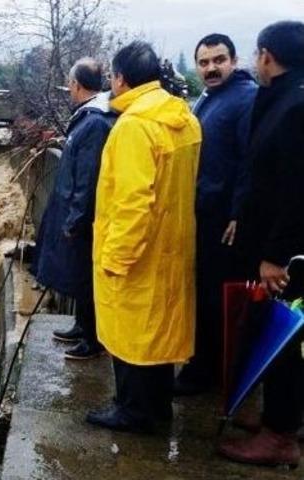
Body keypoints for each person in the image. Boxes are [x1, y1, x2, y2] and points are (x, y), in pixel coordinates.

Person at [85, 41, 201, 433]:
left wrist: (116, 256)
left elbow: (134, 202)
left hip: (140, 250)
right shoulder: (182, 117)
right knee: (159, 335)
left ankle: (133, 411)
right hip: (173, 245)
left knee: (132, 335)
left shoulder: (135, 126)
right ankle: (156, 407)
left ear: (120, 79)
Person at [218, 20, 304, 468]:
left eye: (256, 55)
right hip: (270, 243)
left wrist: (275, 255)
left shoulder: (297, 106)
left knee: (284, 339)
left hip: (286, 256)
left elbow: (296, 190)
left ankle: (281, 436)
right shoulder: (283, 98)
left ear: (267, 56)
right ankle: (277, 418)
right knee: (274, 334)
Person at [174, 34, 258, 395]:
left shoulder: (245, 99)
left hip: (224, 221)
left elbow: (250, 162)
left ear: (234, 61)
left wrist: (238, 212)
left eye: (218, 60)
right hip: (205, 215)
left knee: (216, 298)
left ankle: (210, 374)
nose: (211, 68)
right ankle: (203, 366)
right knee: (204, 293)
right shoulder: (209, 98)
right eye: (204, 62)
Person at [32, 58, 116, 360]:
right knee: (80, 274)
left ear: (75, 85)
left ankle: (93, 341)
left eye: (69, 84)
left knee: (86, 276)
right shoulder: (90, 116)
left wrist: (76, 219)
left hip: (84, 216)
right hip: (76, 210)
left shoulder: (94, 121)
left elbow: (89, 178)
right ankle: (82, 326)